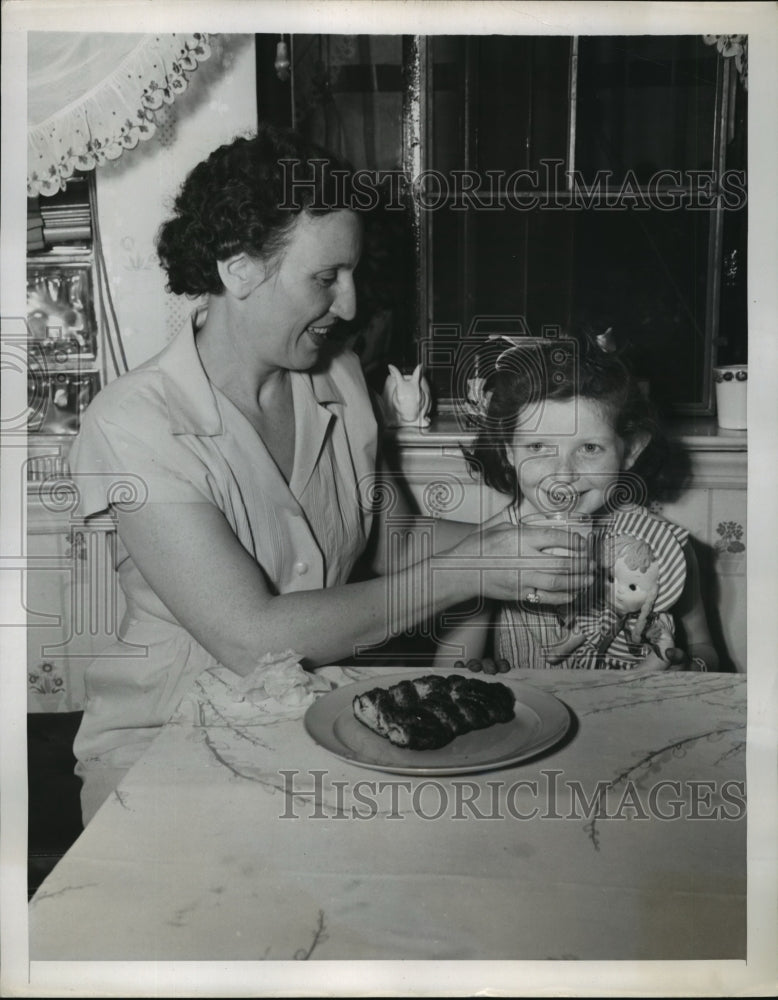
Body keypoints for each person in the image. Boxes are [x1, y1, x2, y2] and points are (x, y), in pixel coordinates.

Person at [67, 125, 592, 824]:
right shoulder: (133, 423)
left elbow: (396, 543)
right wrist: (470, 571)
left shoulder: (339, 378)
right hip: (168, 754)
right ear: (238, 268)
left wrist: (539, 537)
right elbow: (250, 638)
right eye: (325, 278)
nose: (348, 306)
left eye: (351, 275)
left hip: (319, 725)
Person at [432, 333, 720, 674]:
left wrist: (690, 667)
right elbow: (451, 666)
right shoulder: (488, 548)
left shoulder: (663, 546)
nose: (563, 473)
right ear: (508, 450)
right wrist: (475, 674)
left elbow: (705, 648)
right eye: (538, 447)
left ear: (631, 450)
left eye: (589, 449)